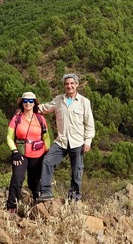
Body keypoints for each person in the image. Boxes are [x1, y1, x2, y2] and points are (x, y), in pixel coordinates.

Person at [36, 73, 95, 202]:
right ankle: (46, 192)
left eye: (72, 83)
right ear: (64, 86)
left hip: (78, 142)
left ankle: (74, 199)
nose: (69, 86)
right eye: (67, 84)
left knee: (76, 172)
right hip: (61, 141)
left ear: (77, 85)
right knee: (47, 162)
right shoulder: (58, 100)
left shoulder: (84, 102)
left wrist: (88, 142)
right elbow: (44, 108)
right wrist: (27, 108)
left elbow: (89, 124)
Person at [6, 91, 52, 213]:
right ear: (22, 103)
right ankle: (11, 207)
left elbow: (46, 137)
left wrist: (47, 151)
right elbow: (9, 137)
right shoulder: (16, 118)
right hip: (20, 153)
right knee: (17, 178)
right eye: (25, 101)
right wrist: (14, 151)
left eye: (30, 101)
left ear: (34, 103)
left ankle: (37, 207)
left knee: (35, 181)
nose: (28, 103)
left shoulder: (40, 119)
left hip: (38, 154)